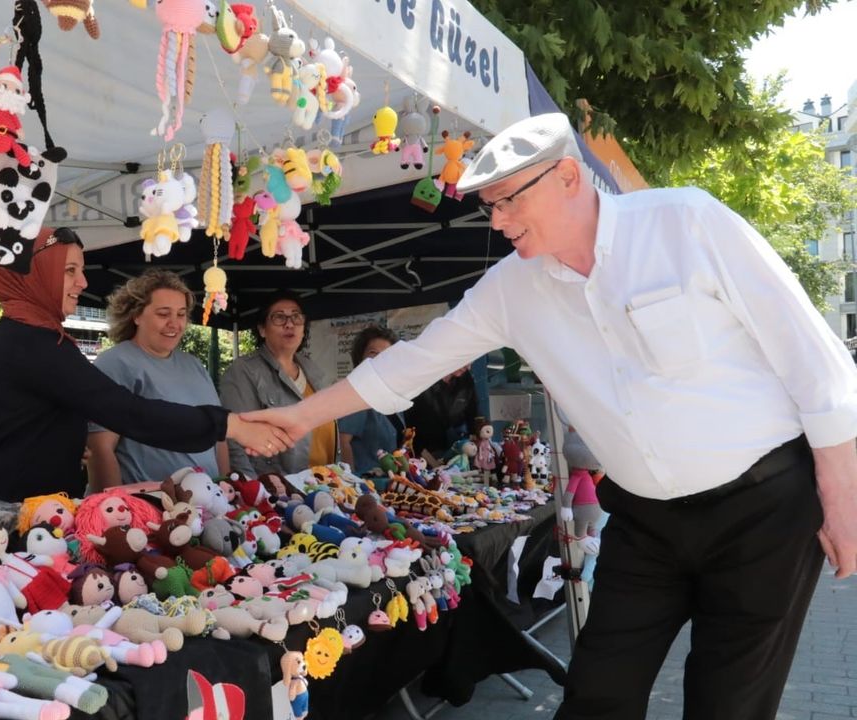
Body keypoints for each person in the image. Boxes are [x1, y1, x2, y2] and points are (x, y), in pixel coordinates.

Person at [244, 113, 857, 720]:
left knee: (731, 704)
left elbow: (817, 362)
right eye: (489, 205)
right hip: (645, 522)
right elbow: (408, 365)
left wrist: (842, 498)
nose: (498, 221)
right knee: (597, 694)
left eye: (507, 201)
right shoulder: (511, 288)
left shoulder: (686, 222)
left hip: (763, 510)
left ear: (567, 176)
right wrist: (300, 416)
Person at [0, 227, 288, 502]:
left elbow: (27, 421)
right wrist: (228, 425)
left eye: (81, 271)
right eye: (69, 271)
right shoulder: (32, 341)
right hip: (3, 517)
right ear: (35, 275)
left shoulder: (28, 335)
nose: (82, 283)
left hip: (23, 506)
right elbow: (128, 413)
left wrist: (65, 445)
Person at [87, 270, 229, 489]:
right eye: (164, 314)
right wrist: (114, 508)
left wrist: (226, 487)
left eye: (181, 314)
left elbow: (219, 437)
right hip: (148, 509)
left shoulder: (194, 365)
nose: (175, 323)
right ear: (136, 315)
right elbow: (100, 447)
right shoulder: (115, 362)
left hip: (209, 504)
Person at [220, 291, 337, 477]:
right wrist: (254, 492)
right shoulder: (243, 371)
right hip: (280, 493)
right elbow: (235, 443)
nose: (289, 324)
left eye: (296, 317)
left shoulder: (314, 370)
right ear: (262, 329)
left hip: (324, 486)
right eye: (279, 317)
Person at [337, 326, 403, 474]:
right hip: (367, 484)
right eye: (373, 353)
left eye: (387, 355)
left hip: (390, 482)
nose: (380, 359)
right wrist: (352, 482)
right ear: (360, 357)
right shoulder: (357, 393)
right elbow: (343, 440)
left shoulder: (393, 395)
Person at [403, 365, 478, 464]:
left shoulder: (466, 378)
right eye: (466, 358)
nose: (468, 367)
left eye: (472, 361)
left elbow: (473, 411)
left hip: (458, 449)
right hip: (422, 452)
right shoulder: (422, 376)